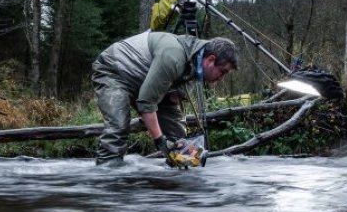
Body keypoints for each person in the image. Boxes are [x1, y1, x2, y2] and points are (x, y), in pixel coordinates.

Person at [92, 31, 238, 167]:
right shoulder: (173, 56)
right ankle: (107, 178)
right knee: (118, 127)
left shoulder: (195, 65)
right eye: (222, 71)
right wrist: (160, 141)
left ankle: (176, 183)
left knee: (179, 143)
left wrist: (179, 144)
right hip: (114, 70)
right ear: (210, 60)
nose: (221, 78)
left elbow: (171, 103)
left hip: (143, 80)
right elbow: (146, 102)